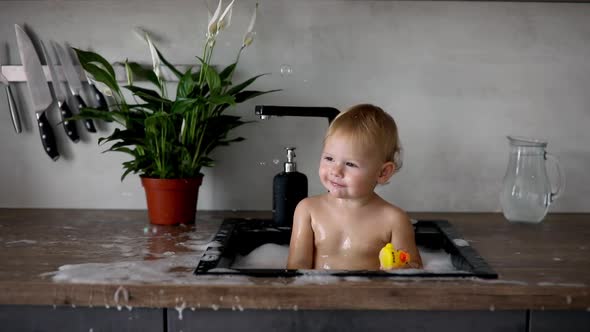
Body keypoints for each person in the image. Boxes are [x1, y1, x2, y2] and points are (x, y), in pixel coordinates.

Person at [287, 104, 422, 270]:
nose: (336, 171)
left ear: (383, 172)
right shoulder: (308, 210)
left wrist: (399, 267)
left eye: (350, 164)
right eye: (329, 158)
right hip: (319, 292)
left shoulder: (393, 220)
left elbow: (414, 271)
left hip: (370, 294)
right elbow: (296, 268)